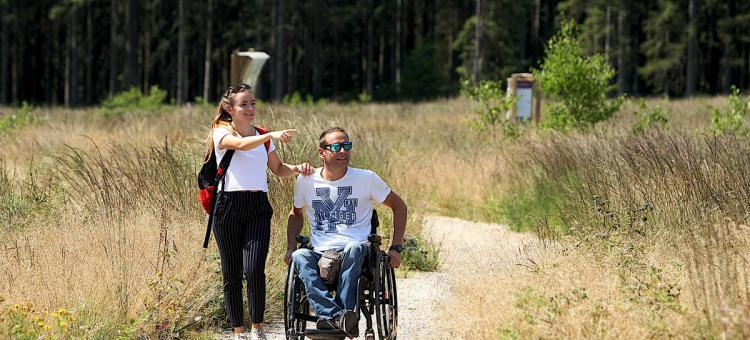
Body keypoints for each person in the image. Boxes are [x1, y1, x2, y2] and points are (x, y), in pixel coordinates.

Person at [207, 83, 313, 340]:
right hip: (227, 207)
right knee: (231, 272)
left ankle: (257, 328)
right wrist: (270, 136)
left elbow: (278, 169)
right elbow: (240, 145)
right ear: (229, 108)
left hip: (257, 207)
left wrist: (297, 168)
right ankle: (238, 331)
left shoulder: (263, 136)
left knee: (254, 269)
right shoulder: (220, 133)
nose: (250, 108)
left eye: (253, 103)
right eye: (244, 104)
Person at [284, 127, 407, 337]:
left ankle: (340, 318)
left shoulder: (366, 178)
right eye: (337, 146)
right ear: (321, 152)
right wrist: (290, 247)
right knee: (299, 256)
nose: (343, 151)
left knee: (354, 246)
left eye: (346, 146)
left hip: (358, 250)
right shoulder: (306, 180)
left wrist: (395, 247)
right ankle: (336, 317)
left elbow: (399, 206)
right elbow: (295, 214)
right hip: (322, 252)